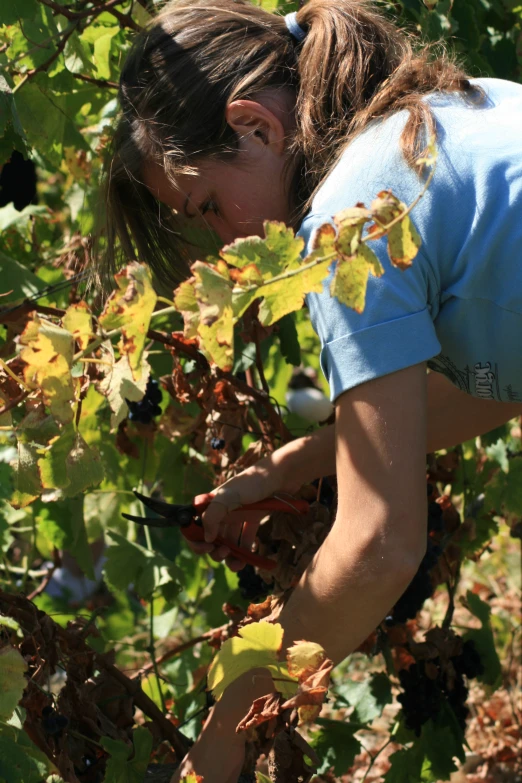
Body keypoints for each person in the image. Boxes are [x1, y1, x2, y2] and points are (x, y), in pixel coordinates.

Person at [99, 0, 522, 779]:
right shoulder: (452, 111)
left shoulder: (345, 223)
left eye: (209, 209)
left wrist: (221, 741)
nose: (229, 244)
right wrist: (298, 461)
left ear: (254, 126)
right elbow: (505, 379)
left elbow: (378, 545)